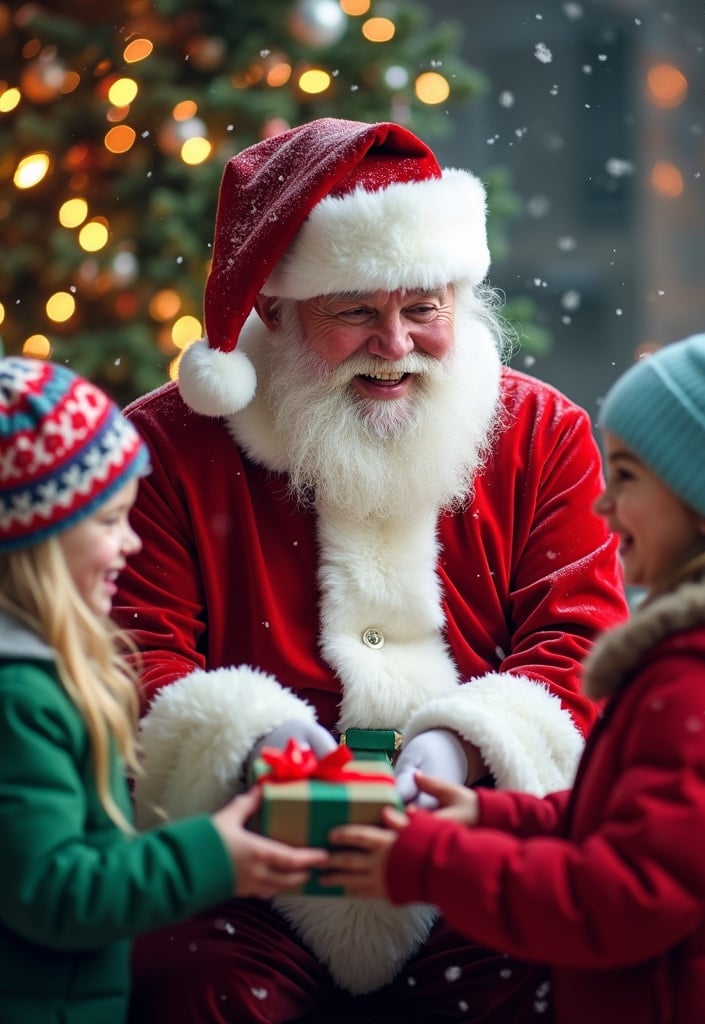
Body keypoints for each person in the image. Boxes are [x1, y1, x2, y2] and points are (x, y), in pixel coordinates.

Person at [113, 117, 628, 1023]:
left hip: (478, 842)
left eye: (424, 307)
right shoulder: (165, 446)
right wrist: (259, 753)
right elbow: (133, 653)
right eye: (353, 311)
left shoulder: (543, 434)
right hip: (249, 866)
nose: (395, 344)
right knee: (186, 985)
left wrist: (461, 750)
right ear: (274, 312)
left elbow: (583, 643)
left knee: (553, 977)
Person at [325, 285, 705, 1024]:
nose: (602, 505)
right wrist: (493, 819)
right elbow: (630, 824)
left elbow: (622, 897)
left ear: (702, 500)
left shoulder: (702, 685)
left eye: (625, 478)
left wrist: (426, 861)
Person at [0, 356, 329, 1024]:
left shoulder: (43, 676)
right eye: (108, 521)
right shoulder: (20, 701)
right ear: (35, 536)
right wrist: (214, 856)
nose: (130, 543)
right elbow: (56, 891)